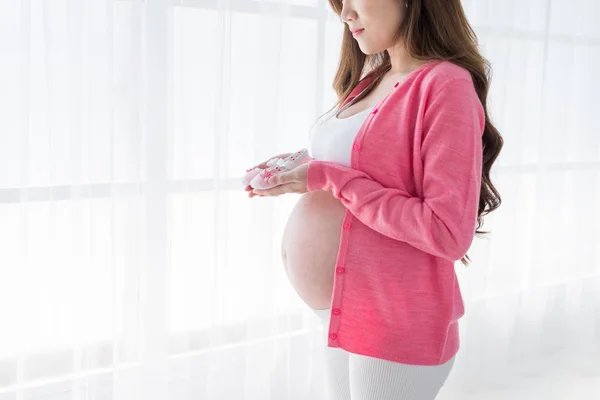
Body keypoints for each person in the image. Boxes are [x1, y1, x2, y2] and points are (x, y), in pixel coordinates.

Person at [244, 0, 503, 398]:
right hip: (346, 312)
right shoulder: (375, 76)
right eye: (339, 3)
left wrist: (327, 176)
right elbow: (371, 166)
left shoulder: (445, 85)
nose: (344, 14)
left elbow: (447, 232)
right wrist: (297, 167)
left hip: (393, 319)